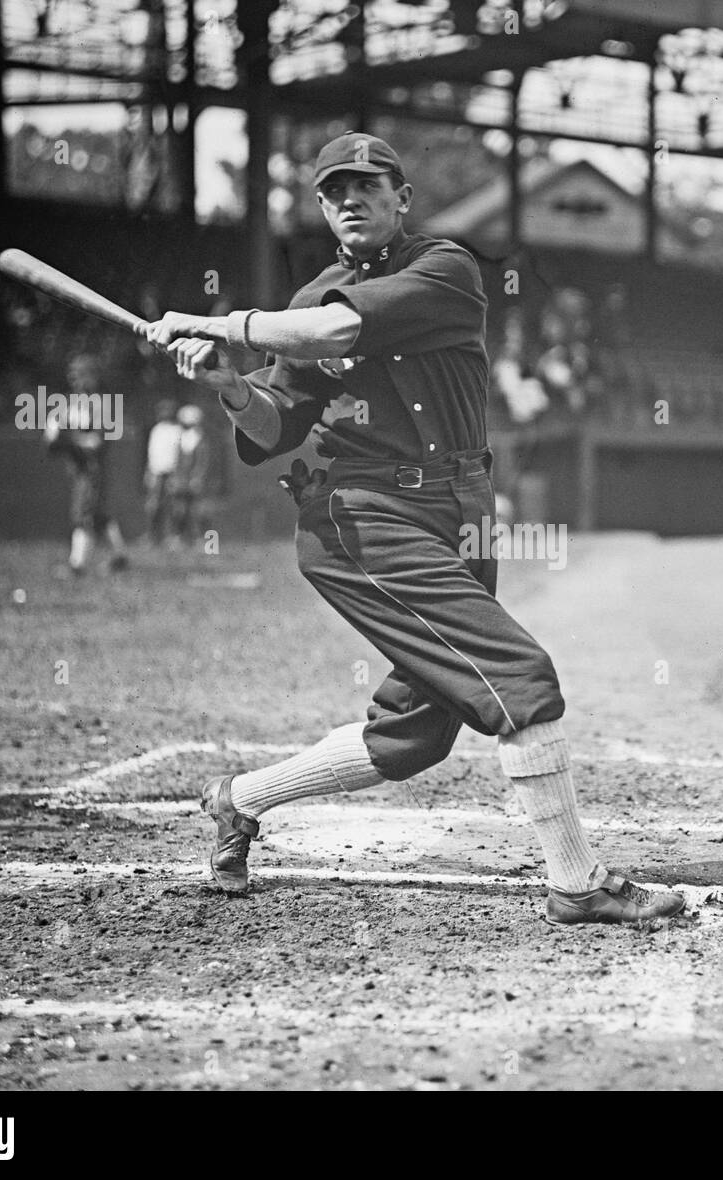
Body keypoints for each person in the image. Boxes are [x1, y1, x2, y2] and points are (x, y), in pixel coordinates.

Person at [145, 131, 684, 926]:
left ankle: (238, 801)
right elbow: (270, 429)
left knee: (416, 732)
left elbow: (339, 332)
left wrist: (222, 326)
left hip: (456, 511)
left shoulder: (445, 269)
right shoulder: (303, 305)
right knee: (519, 677)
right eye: (334, 191)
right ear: (323, 209)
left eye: (369, 185)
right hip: (355, 518)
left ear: (402, 198)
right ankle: (576, 881)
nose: (351, 199)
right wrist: (228, 383)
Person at [44, 353, 130, 576]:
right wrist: (54, 435)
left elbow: (96, 442)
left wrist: (66, 438)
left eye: (81, 375)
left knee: (83, 513)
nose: (76, 380)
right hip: (77, 467)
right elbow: (54, 440)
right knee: (98, 514)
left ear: (93, 377)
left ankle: (77, 564)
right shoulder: (68, 403)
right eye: (73, 375)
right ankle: (120, 556)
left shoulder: (101, 404)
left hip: (92, 468)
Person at [169, 403, 209, 547]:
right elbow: (177, 460)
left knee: (196, 510)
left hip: (193, 479)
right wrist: (175, 477)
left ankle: (199, 538)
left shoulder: (199, 438)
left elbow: (202, 461)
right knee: (179, 509)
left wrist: (197, 477)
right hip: (181, 479)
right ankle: (177, 537)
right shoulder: (180, 437)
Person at [144, 398, 181, 547]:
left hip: (171, 472)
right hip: (156, 471)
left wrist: (177, 474)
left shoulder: (177, 430)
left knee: (172, 506)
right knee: (153, 506)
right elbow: (151, 452)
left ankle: (173, 536)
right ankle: (152, 536)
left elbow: (179, 453)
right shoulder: (156, 429)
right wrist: (148, 471)